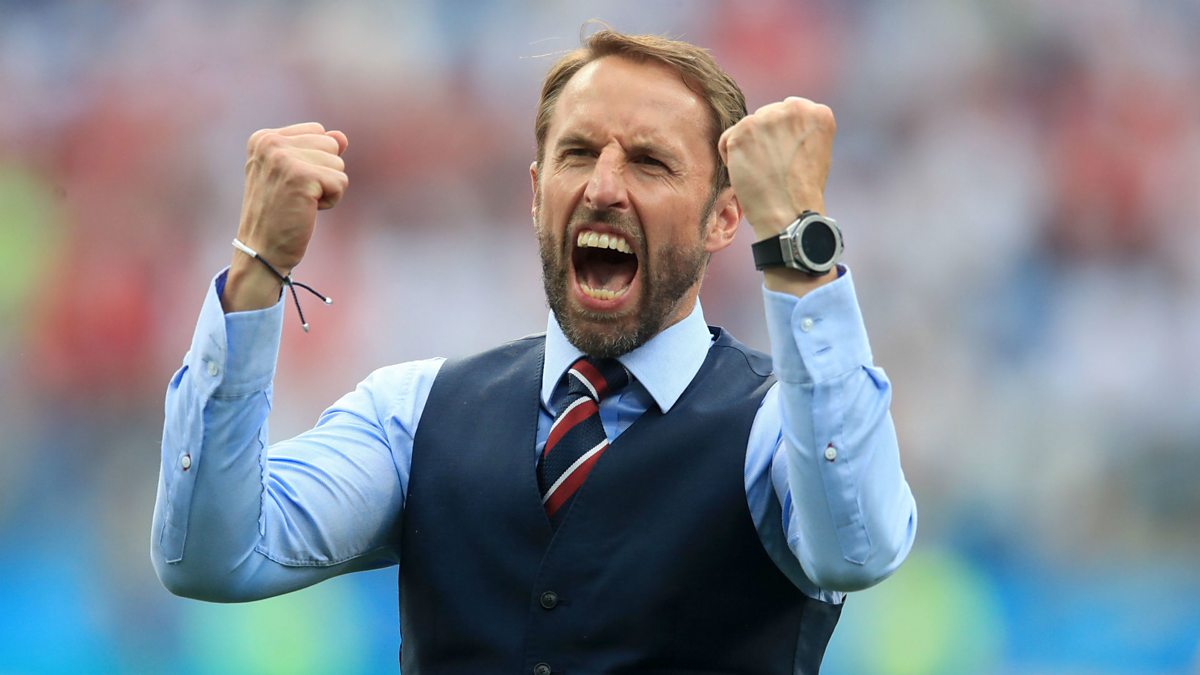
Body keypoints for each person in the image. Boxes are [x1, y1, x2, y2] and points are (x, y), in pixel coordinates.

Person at [152, 28, 916, 674]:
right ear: (535, 189)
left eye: (649, 162)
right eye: (577, 153)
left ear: (724, 217)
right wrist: (255, 271)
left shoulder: (776, 428)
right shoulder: (415, 414)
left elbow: (857, 549)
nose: (604, 187)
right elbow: (211, 556)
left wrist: (796, 244)